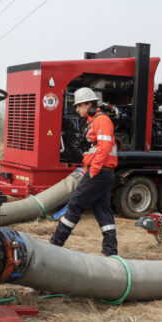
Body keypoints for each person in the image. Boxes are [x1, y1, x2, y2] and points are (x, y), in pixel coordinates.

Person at [50, 87, 118, 256]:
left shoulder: (102, 120)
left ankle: (55, 242)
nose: (77, 109)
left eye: (79, 105)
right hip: (102, 172)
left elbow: (105, 147)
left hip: (99, 172)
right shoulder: (93, 122)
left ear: (89, 104)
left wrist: (93, 171)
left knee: (75, 203)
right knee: (102, 210)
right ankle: (110, 250)